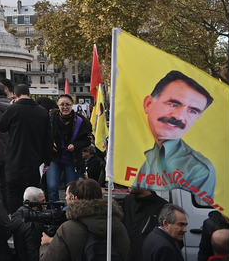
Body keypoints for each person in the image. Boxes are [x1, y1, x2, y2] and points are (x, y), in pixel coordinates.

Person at [136, 71, 216, 199]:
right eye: (174, 104)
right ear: (148, 104)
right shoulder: (147, 153)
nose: (179, 116)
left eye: (192, 111)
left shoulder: (198, 169)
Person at [38, 178, 131, 261]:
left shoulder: (68, 229)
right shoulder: (117, 226)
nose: (66, 198)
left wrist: (46, 245)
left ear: (75, 198)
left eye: (67, 196)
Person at [0, 83, 54, 213]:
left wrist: (10, 108)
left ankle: (16, 220)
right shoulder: (42, 111)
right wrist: (47, 161)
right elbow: (48, 139)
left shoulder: (13, 109)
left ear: (15, 96)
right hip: (35, 161)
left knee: (14, 194)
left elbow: (1, 126)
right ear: (30, 94)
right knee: (33, 193)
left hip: (15, 160)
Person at [46, 94, 93, 202]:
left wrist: (75, 146)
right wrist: (50, 143)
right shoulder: (51, 118)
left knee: (72, 189)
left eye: (67, 104)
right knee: (52, 187)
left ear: (72, 105)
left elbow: (86, 140)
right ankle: (54, 211)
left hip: (72, 160)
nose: (65, 107)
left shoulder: (81, 121)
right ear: (58, 105)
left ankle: (69, 211)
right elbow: (43, 135)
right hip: (54, 158)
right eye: (62, 104)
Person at [121, 187, 169, 261]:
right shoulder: (127, 201)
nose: (128, 182)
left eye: (134, 177)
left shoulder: (163, 207)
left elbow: (172, 241)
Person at [8, 187, 47, 261]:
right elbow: (32, 251)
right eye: (42, 201)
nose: (45, 204)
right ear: (32, 202)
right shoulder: (32, 225)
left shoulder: (16, 215)